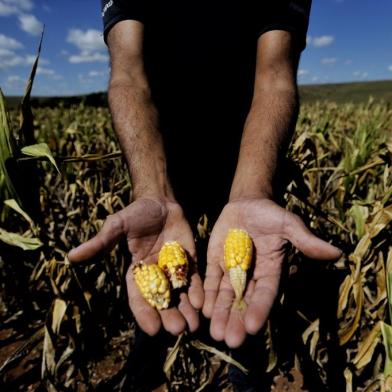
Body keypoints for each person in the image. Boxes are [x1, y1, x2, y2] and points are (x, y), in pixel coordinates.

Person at [69, 0, 341, 389]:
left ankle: (244, 371)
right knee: (157, 275)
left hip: (249, 155)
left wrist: (252, 190)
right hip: (161, 153)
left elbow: (275, 79)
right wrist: (153, 189)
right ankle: (144, 363)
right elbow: (128, 75)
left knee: (238, 287)